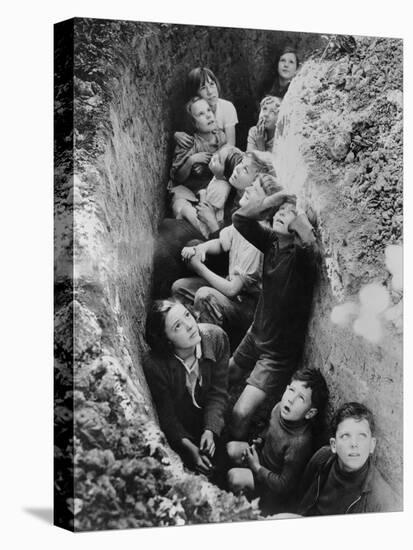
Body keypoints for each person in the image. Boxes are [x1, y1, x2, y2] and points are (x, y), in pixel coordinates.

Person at [229, 187, 318, 440]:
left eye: (288, 214)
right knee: (229, 373)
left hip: (277, 353)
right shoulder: (272, 242)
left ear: (298, 226)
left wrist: (297, 215)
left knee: (240, 413)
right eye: (279, 212)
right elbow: (240, 219)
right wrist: (275, 199)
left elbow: (310, 247)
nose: (281, 214)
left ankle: (232, 454)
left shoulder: (300, 261)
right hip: (256, 333)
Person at [171, 173, 281, 352]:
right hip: (231, 290)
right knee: (179, 288)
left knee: (205, 296)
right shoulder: (244, 220)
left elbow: (233, 289)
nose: (249, 188)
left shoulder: (256, 241)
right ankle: (187, 336)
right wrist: (201, 250)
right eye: (252, 184)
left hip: (247, 306)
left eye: (255, 190)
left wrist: (200, 268)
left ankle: (209, 351)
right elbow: (222, 243)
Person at [143, 299, 230, 476]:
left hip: (209, 415)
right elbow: (167, 416)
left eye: (187, 315)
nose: (190, 325)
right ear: (166, 340)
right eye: (177, 326)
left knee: (222, 464)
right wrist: (190, 450)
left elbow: (218, 393)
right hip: (181, 427)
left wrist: (210, 429)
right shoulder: (155, 365)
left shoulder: (216, 338)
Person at [226, 368, 329, 514]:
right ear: (286, 389)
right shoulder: (279, 408)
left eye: (301, 398)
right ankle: (228, 486)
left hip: (272, 490)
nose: (291, 399)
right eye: (292, 390)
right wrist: (259, 441)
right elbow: (269, 429)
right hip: (261, 461)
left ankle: (244, 509)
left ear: (310, 413)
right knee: (231, 448)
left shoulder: (299, 444)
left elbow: (283, 486)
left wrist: (256, 467)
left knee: (234, 477)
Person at [296, 402, 401, 515]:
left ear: (372, 445)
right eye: (345, 436)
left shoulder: (381, 500)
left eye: (361, 436)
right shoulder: (322, 459)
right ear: (334, 445)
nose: (354, 444)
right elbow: (300, 496)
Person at [169, 96, 227, 221]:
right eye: (201, 114)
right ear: (193, 123)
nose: (208, 116)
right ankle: (198, 223)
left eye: (209, 111)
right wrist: (191, 161)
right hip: (188, 190)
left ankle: (211, 224)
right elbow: (178, 177)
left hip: (210, 189)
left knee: (220, 193)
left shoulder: (221, 137)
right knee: (179, 206)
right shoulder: (189, 143)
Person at [175, 67, 238, 148]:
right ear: (195, 93)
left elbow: (231, 144)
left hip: (222, 155)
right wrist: (176, 134)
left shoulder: (227, 107)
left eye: (212, 84)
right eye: (203, 88)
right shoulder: (191, 111)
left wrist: (213, 157)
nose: (210, 92)